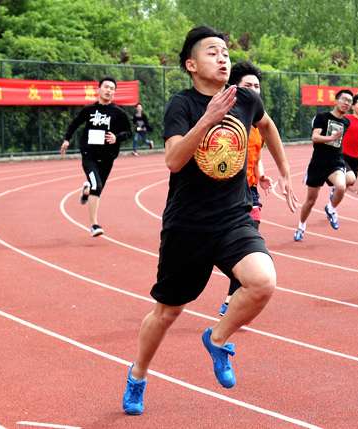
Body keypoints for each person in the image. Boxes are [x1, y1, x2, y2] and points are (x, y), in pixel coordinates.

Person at [122, 26, 299, 416]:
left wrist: (285, 170)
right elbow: (173, 160)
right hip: (188, 225)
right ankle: (138, 375)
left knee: (263, 282)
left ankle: (217, 339)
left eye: (225, 52)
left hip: (233, 218)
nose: (222, 58)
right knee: (168, 312)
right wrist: (208, 118)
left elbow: (267, 126)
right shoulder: (181, 105)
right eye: (212, 52)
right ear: (191, 65)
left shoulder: (246, 99)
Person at [218, 60, 274, 317]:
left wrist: (260, 175)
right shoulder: (227, 121)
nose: (254, 90)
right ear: (235, 89)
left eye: (257, 86)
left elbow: (257, 155)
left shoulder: (259, 124)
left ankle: (231, 297)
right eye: (248, 86)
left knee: (250, 236)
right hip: (224, 191)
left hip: (249, 190)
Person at [61, 76, 132, 237]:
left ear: (114, 92)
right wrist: (66, 140)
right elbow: (75, 123)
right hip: (89, 155)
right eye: (106, 87)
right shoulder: (89, 110)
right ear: (98, 89)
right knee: (97, 186)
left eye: (112, 89)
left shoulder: (118, 113)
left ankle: (86, 191)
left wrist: (116, 137)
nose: (108, 91)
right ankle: (94, 225)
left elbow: (128, 132)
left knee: (96, 190)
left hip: (107, 157)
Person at [293, 89, 352, 242]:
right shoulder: (322, 117)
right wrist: (330, 138)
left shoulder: (347, 122)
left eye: (349, 101)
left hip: (336, 162)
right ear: (336, 101)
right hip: (318, 163)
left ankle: (331, 209)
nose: (346, 103)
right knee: (310, 201)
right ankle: (301, 226)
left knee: (341, 186)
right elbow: (315, 137)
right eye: (344, 99)